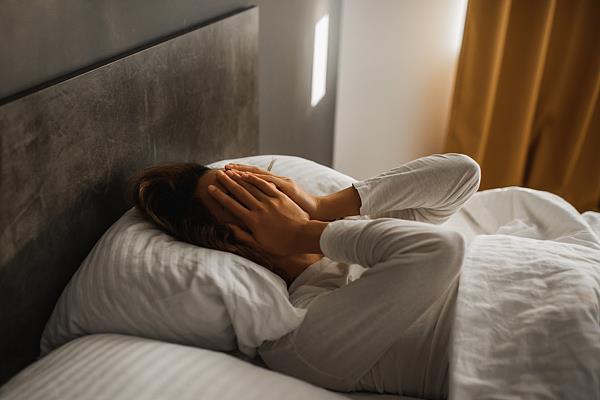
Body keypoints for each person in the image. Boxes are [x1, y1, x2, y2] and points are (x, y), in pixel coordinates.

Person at [131, 153, 481, 400]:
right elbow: (438, 250)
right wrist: (300, 233)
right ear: (232, 241)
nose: (266, 189)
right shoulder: (299, 339)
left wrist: (322, 206)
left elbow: (463, 174)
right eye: (239, 196)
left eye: (252, 179)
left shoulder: (347, 229)